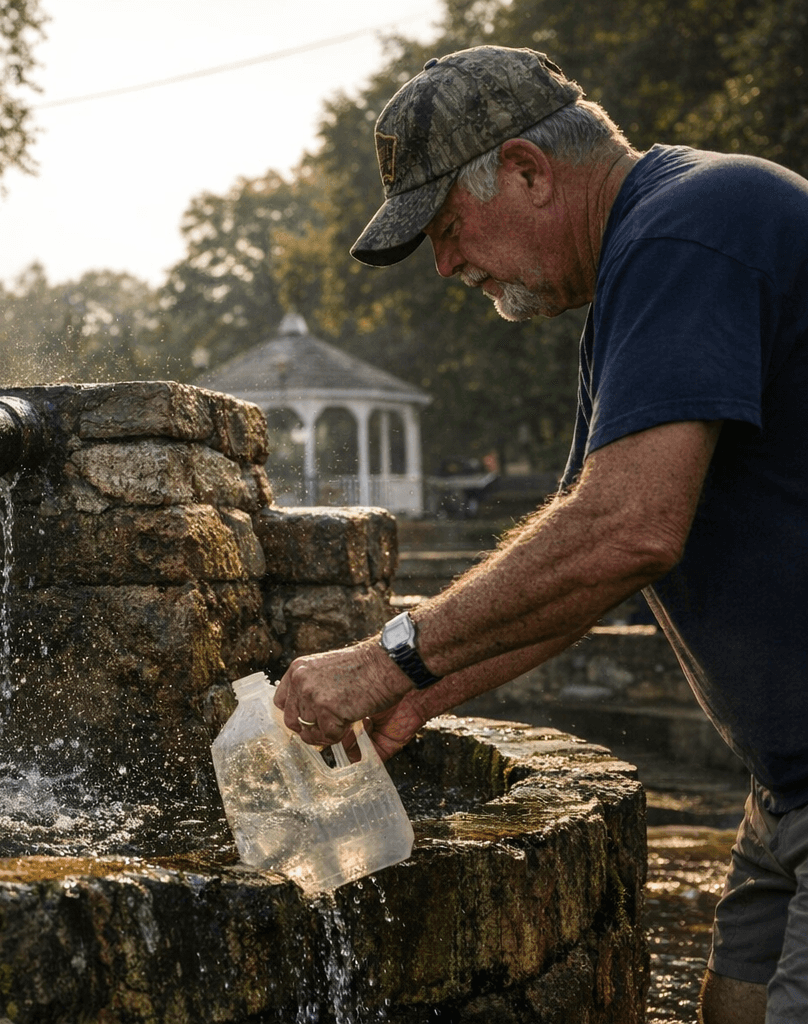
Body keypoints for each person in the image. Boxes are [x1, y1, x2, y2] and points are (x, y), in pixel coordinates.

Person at [271, 46, 808, 1023]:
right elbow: (579, 573)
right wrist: (419, 695)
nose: (444, 264)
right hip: (788, 785)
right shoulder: (639, 274)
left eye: (446, 227)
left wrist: (387, 656)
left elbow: (627, 531)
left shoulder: (692, 230)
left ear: (526, 168)